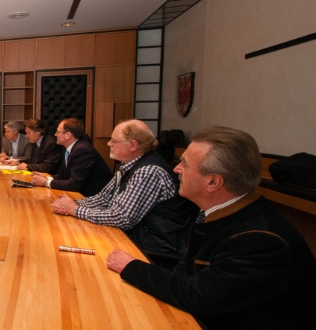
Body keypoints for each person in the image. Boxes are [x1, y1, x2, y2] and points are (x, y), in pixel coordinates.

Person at [106, 126, 316, 329]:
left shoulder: (260, 239)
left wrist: (132, 267)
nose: (176, 169)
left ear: (213, 182)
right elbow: (186, 273)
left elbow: (199, 296)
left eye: (184, 164)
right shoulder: (220, 211)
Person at [51, 120, 195, 263]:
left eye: (114, 141)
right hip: (132, 237)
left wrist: (75, 210)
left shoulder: (149, 171)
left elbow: (122, 217)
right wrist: (73, 203)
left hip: (148, 249)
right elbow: (104, 198)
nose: (109, 144)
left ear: (133, 145)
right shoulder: (129, 165)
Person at [31, 118, 111, 196]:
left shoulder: (82, 151)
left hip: (93, 196)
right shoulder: (66, 149)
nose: (55, 135)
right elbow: (62, 174)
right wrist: (47, 177)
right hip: (79, 193)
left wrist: (46, 182)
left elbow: (74, 184)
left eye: (58, 132)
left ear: (67, 135)